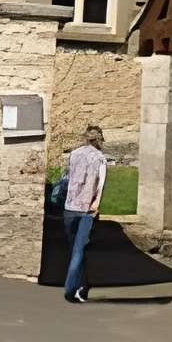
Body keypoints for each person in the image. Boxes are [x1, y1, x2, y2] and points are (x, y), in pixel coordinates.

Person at [59, 125, 109, 303]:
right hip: (87, 209)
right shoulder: (100, 159)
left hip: (70, 207)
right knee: (79, 251)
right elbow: (101, 184)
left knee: (74, 250)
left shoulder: (74, 154)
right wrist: (96, 203)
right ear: (100, 140)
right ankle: (70, 288)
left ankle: (83, 286)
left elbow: (67, 178)